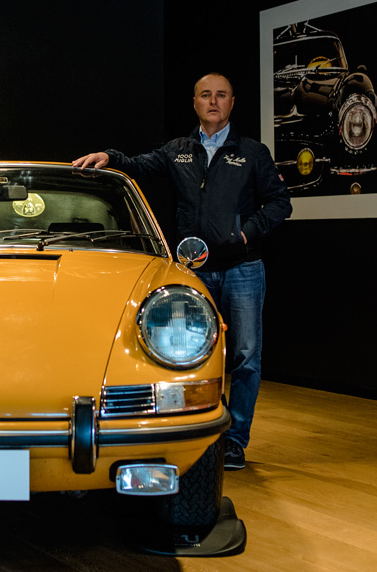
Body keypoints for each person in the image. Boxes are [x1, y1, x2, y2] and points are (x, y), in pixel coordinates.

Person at [73, 73, 291, 470]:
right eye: (206, 95)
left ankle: (235, 441)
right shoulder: (178, 150)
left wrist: (245, 234)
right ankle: (200, 435)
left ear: (232, 102)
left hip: (244, 269)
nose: (213, 101)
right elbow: (139, 165)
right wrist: (110, 157)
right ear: (194, 103)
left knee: (245, 356)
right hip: (193, 273)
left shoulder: (253, 152)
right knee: (185, 355)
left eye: (221, 95)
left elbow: (279, 204)